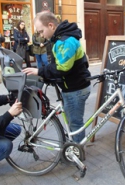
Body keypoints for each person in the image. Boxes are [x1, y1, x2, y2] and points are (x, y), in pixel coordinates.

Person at [22, 11, 91, 143]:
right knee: (73, 122)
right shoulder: (62, 38)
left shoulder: (65, 41)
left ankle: (77, 152)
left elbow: (62, 68)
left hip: (74, 89)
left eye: (41, 31)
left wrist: (39, 72)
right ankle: (74, 146)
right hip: (73, 86)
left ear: (51, 25)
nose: (41, 35)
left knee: (75, 124)